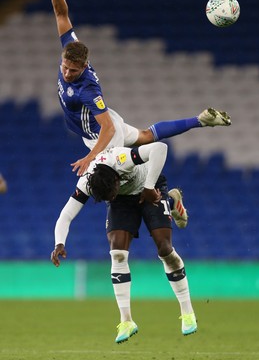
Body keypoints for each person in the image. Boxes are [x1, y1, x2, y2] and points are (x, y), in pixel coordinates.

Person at [49, 0, 231, 177]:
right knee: (146, 136)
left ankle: (165, 200)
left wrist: (91, 157)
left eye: (73, 71)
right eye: (65, 67)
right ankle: (200, 120)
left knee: (119, 184)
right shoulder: (72, 48)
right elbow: (61, 14)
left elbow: (107, 129)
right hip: (105, 122)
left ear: (84, 66)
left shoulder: (87, 90)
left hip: (101, 135)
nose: (67, 74)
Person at [51, 141, 197, 342]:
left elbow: (160, 148)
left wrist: (147, 187)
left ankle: (187, 312)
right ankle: (126, 320)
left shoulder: (122, 159)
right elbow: (66, 215)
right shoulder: (88, 181)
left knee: (164, 249)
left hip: (149, 187)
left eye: (109, 194)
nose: (107, 198)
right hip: (122, 202)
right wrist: (59, 243)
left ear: (116, 180)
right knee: (117, 252)